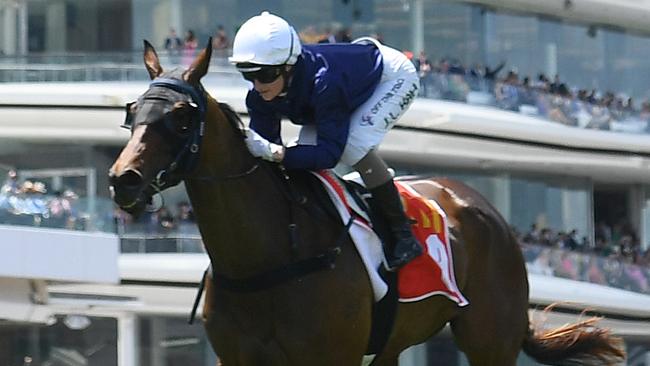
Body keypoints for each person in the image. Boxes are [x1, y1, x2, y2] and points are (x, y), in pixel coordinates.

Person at [229, 12, 422, 269]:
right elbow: (267, 161)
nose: (257, 84)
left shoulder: (325, 84)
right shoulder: (258, 97)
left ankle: (403, 235)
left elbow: (329, 154)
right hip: (347, 82)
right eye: (247, 74)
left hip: (392, 76)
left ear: (288, 67)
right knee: (304, 155)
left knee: (352, 147)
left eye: (265, 75)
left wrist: (278, 153)